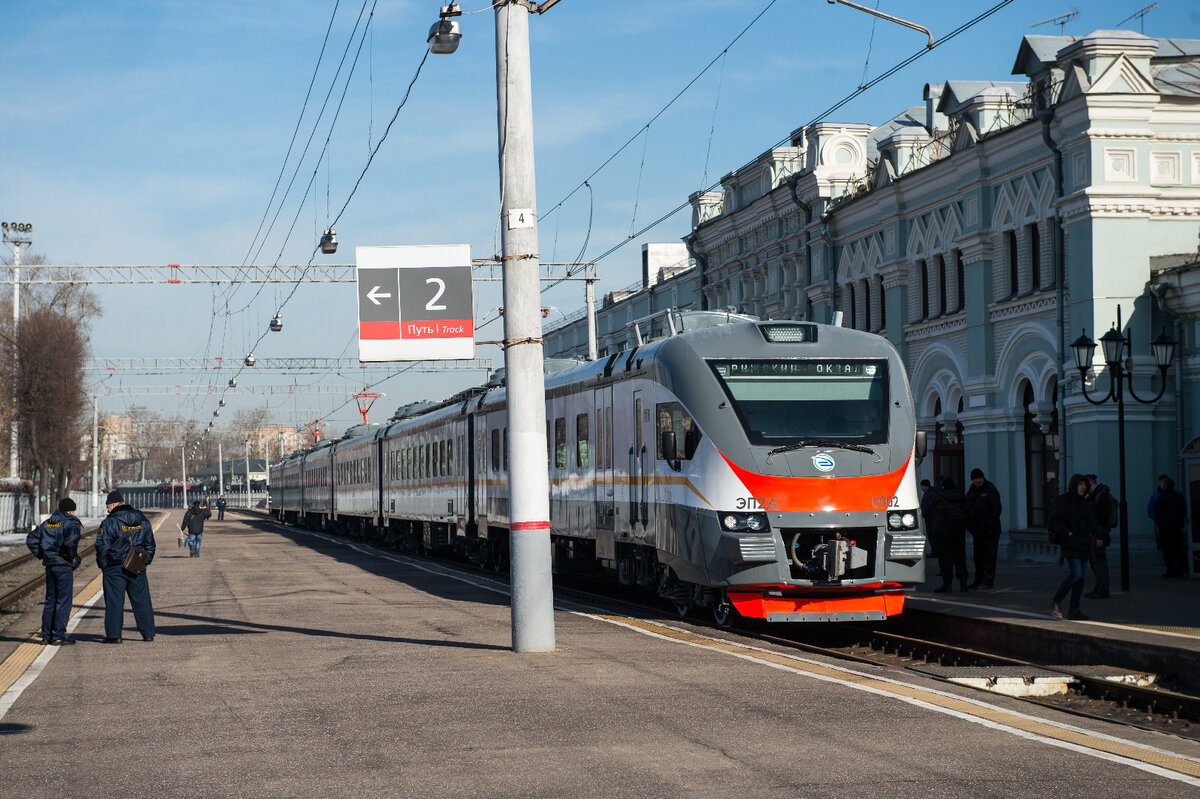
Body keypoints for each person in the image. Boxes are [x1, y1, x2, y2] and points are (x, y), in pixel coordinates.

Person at [95, 490, 156, 643]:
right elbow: (150, 544)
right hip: (136, 565)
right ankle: (148, 634)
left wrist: (104, 566)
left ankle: (115, 636)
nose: (107, 510)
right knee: (142, 600)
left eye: (108, 506)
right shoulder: (141, 519)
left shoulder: (109, 522)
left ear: (114, 505)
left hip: (114, 568)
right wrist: (143, 562)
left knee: (114, 602)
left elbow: (102, 547)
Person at [27, 498, 83, 645]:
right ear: (71, 511)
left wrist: (42, 554)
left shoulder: (48, 522)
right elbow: (70, 542)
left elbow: (31, 539)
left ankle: (46, 635)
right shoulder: (71, 522)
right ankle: (58, 635)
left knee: (50, 601)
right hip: (63, 567)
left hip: (50, 566)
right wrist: (71, 557)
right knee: (63, 601)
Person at [1047, 474, 1097, 620]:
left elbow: (1089, 522)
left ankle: (1074, 609)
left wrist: (1091, 532)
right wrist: (1067, 533)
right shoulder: (1065, 500)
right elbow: (1053, 521)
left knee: (1080, 579)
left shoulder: (1085, 503)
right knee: (1076, 574)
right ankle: (1055, 601)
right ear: (1074, 485)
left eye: (1085, 485)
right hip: (1070, 544)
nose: (1083, 487)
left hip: (1083, 544)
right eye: (1080, 484)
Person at [929, 476, 969, 593]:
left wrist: (935, 530)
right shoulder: (961, 496)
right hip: (959, 532)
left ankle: (947, 585)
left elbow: (934, 513)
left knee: (946, 559)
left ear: (943, 486)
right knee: (960, 558)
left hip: (944, 533)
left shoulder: (939, 497)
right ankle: (963, 584)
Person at [964, 468, 1003, 589]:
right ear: (972, 480)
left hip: (991, 531)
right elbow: (966, 510)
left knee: (989, 557)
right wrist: (970, 526)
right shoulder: (971, 492)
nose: (978, 480)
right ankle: (978, 580)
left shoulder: (990, 489)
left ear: (983, 477)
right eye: (976, 478)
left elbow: (996, 509)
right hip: (977, 531)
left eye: (980, 478)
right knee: (978, 557)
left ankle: (987, 582)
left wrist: (988, 522)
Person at [1085, 474, 1114, 598]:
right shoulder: (1094, 496)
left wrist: (1100, 537)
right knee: (1094, 561)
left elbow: (1103, 519)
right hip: (1094, 534)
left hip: (1098, 534)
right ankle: (1099, 587)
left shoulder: (1101, 496)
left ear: (1090, 484)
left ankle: (1103, 589)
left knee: (1099, 561)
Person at [1153, 476, 1189, 578]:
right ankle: (1180, 569)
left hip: (1165, 528)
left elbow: (1158, 514)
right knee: (1178, 549)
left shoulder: (1161, 498)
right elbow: (1183, 511)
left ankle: (1171, 570)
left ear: (1164, 486)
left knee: (1168, 550)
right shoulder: (1179, 497)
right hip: (1177, 527)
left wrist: (1159, 523)